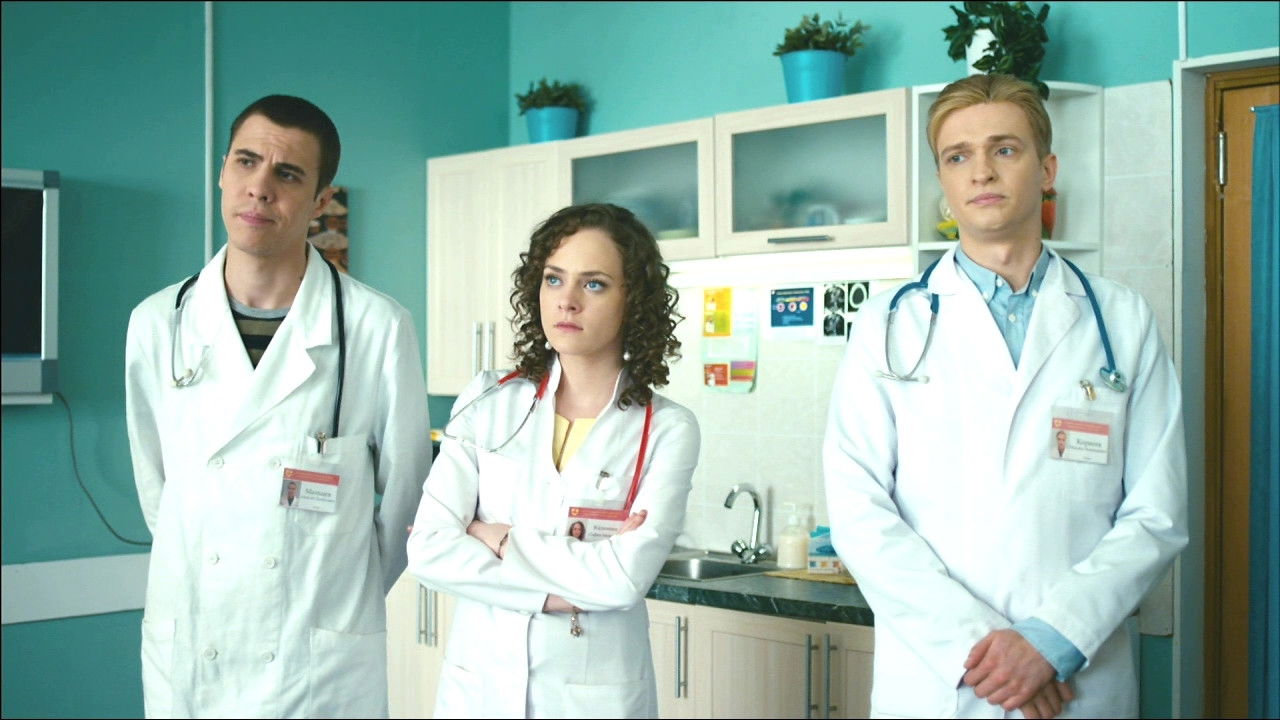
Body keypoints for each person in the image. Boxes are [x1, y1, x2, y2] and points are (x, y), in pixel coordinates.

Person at [823, 74, 1187, 719]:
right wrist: (989, 653)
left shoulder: (1121, 320)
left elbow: (1157, 513)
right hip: (941, 679)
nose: (981, 172)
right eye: (957, 156)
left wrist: (1051, 641)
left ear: (1047, 170)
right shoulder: (886, 326)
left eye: (1005, 149)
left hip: (1077, 676)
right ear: (943, 180)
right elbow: (859, 513)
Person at [125, 94, 431, 718]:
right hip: (194, 645)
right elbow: (159, 490)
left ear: (320, 201)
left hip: (315, 664)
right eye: (246, 162)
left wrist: (334, 598)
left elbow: (407, 502)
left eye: (287, 174)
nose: (259, 188)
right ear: (222, 172)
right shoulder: (159, 323)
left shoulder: (375, 328)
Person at [407, 203, 699, 718]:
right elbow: (429, 549)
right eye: (554, 279)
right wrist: (554, 596)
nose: (567, 300)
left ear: (634, 300)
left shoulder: (667, 429)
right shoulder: (488, 400)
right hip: (479, 691)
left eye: (594, 284)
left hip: (593, 699)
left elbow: (622, 580)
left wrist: (497, 538)